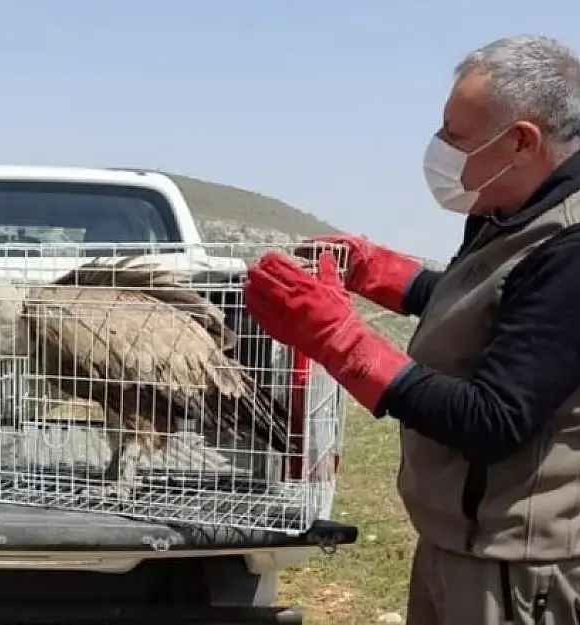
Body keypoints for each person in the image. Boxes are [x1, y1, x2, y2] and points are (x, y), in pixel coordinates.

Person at [243, 34, 580, 624]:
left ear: (523, 140)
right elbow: (486, 310)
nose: (441, 149)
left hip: (513, 567)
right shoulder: (507, 209)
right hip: (458, 541)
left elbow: (493, 419)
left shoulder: (570, 248)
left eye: (456, 137)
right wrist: (382, 273)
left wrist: (338, 340)